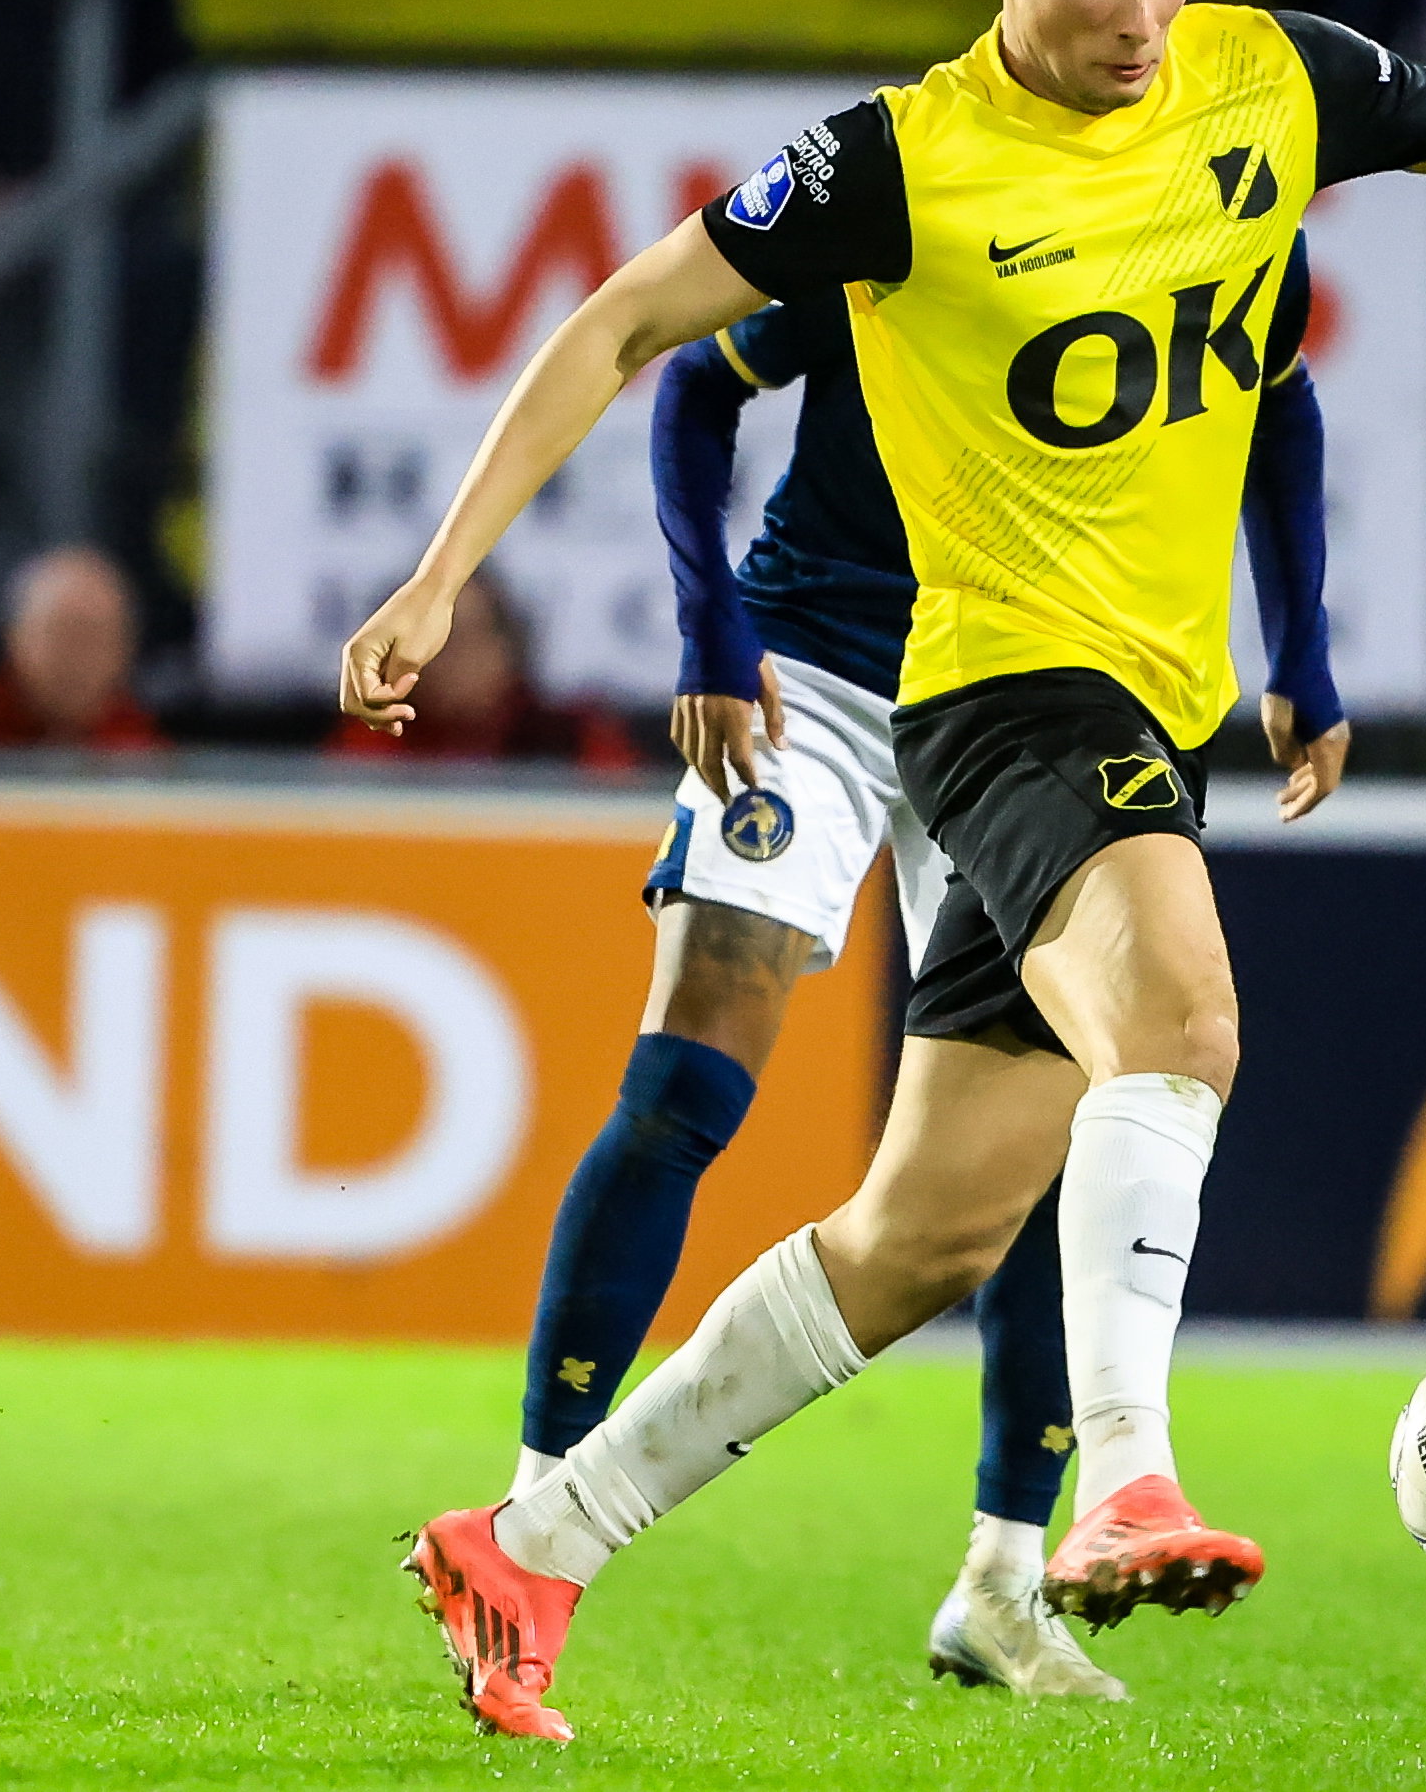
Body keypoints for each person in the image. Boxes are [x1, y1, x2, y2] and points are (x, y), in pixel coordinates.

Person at [347, 0, 1426, 1743]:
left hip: (1158, 705)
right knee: (1186, 1029)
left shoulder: (1269, 80)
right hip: (990, 692)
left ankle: (533, 1544)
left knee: (924, 1235)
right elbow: (631, 327)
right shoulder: (897, 161)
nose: (1135, 22)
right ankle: (1124, 1481)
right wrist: (441, 575)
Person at [498, 238, 1346, 1707]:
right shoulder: (924, 204)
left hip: (1023, 699)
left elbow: (1277, 392)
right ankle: (533, 1499)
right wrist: (713, 624)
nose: (1138, 29)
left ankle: (1004, 1580)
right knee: (697, 1061)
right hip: (813, 673)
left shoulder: (1205, 197)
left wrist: (1303, 643)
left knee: (1040, 1112)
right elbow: (696, 378)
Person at [325, 571, 637, 768]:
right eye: (432, 644)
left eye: (466, 637)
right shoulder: (370, 745)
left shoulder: (574, 742)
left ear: (509, 647)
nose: (452, 659)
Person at [0, 543, 160, 749]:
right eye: (61, 636)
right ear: (13, 639)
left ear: (126, 651)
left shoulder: (151, 762)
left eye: (94, 639)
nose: (75, 661)